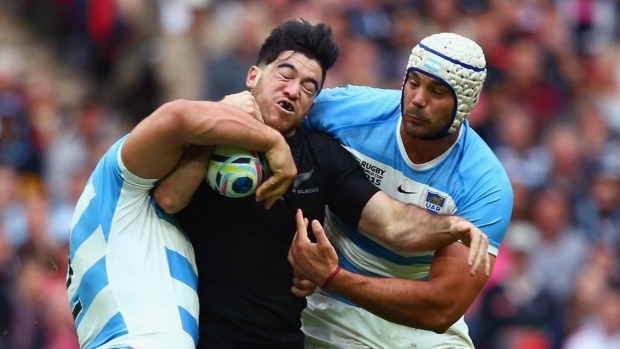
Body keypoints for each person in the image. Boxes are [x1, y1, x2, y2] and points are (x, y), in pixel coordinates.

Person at [154, 20, 490, 348]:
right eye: (286, 74)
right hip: (190, 334)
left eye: (308, 86)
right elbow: (169, 199)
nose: (293, 90)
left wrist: (453, 226)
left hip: (280, 340)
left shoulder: (323, 157)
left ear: (312, 104)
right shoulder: (198, 135)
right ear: (253, 76)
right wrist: (219, 126)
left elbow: (392, 222)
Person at [288, 32, 514, 348]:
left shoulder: (485, 184)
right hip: (325, 305)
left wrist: (334, 276)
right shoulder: (351, 112)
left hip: (414, 321)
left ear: (465, 104)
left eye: (437, 91)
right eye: (414, 82)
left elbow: (441, 308)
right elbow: (266, 110)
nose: (418, 99)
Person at [65, 93, 297, 346]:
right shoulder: (115, 182)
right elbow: (176, 119)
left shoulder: (144, 229)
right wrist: (271, 140)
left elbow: (172, 196)